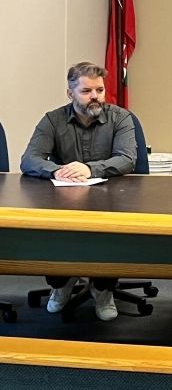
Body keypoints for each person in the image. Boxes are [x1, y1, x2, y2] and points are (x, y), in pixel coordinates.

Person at [20, 62, 137, 321]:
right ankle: (61, 285)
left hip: (110, 198)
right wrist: (56, 170)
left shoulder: (120, 118)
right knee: (55, 230)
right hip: (64, 198)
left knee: (109, 232)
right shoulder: (53, 119)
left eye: (100, 90)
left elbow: (127, 158)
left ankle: (103, 288)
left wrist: (89, 168)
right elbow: (29, 159)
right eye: (86, 91)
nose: (95, 96)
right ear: (70, 93)